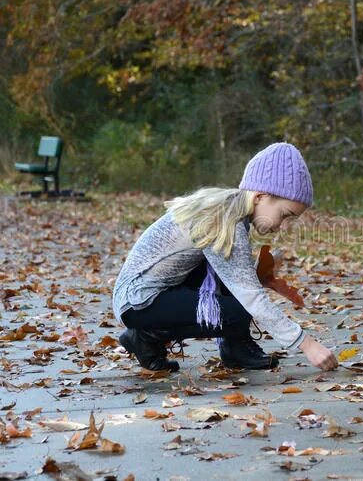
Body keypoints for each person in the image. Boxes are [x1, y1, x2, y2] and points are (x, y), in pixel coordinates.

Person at [111, 142, 338, 373]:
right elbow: (252, 298)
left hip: (151, 293)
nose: (283, 226)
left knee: (237, 280)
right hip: (140, 301)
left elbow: (234, 274)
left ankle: (235, 347)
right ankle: (146, 336)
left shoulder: (230, 209)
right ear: (260, 196)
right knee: (240, 310)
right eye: (285, 215)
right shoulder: (223, 220)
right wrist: (307, 344)